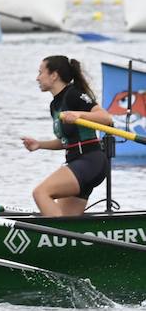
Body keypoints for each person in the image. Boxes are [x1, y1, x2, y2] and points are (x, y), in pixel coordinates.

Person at [21, 55, 116, 216]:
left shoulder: (74, 94)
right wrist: (39, 145)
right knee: (66, 220)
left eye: (40, 72)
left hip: (89, 161)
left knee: (41, 193)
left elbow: (106, 118)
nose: (37, 78)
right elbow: (66, 141)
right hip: (77, 162)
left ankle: (54, 238)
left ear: (54, 75)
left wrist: (79, 115)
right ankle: (64, 238)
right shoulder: (55, 105)